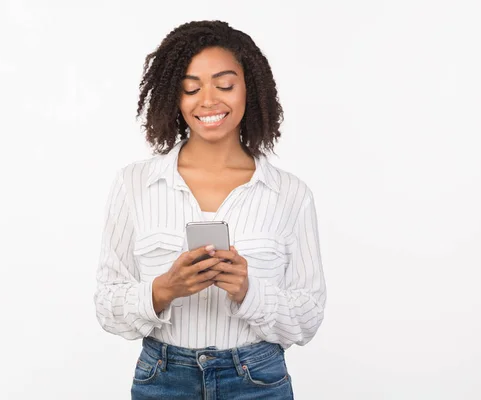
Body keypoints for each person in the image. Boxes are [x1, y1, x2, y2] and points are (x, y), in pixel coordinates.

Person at [94, 20, 326, 400]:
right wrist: (164, 290)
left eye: (225, 85)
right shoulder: (133, 184)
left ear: (249, 88)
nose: (208, 100)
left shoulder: (290, 194)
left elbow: (308, 317)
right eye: (191, 87)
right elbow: (107, 305)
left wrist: (249, 292)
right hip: (163, 379)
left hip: (257, 382)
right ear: (175, 95)